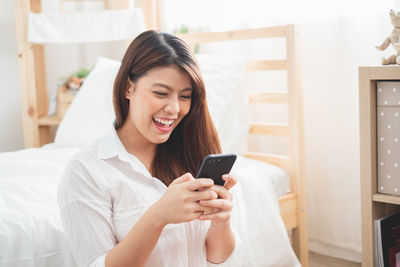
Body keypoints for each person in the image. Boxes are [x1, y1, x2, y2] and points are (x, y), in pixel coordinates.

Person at [57, 30, 239, 267]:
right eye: (161, 93)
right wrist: (158, 216)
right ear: (128, 88)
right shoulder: (86, 171)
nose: (174, 108)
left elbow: (216, 257)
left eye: (185, 96)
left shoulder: (192, 155)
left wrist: (221, 222)